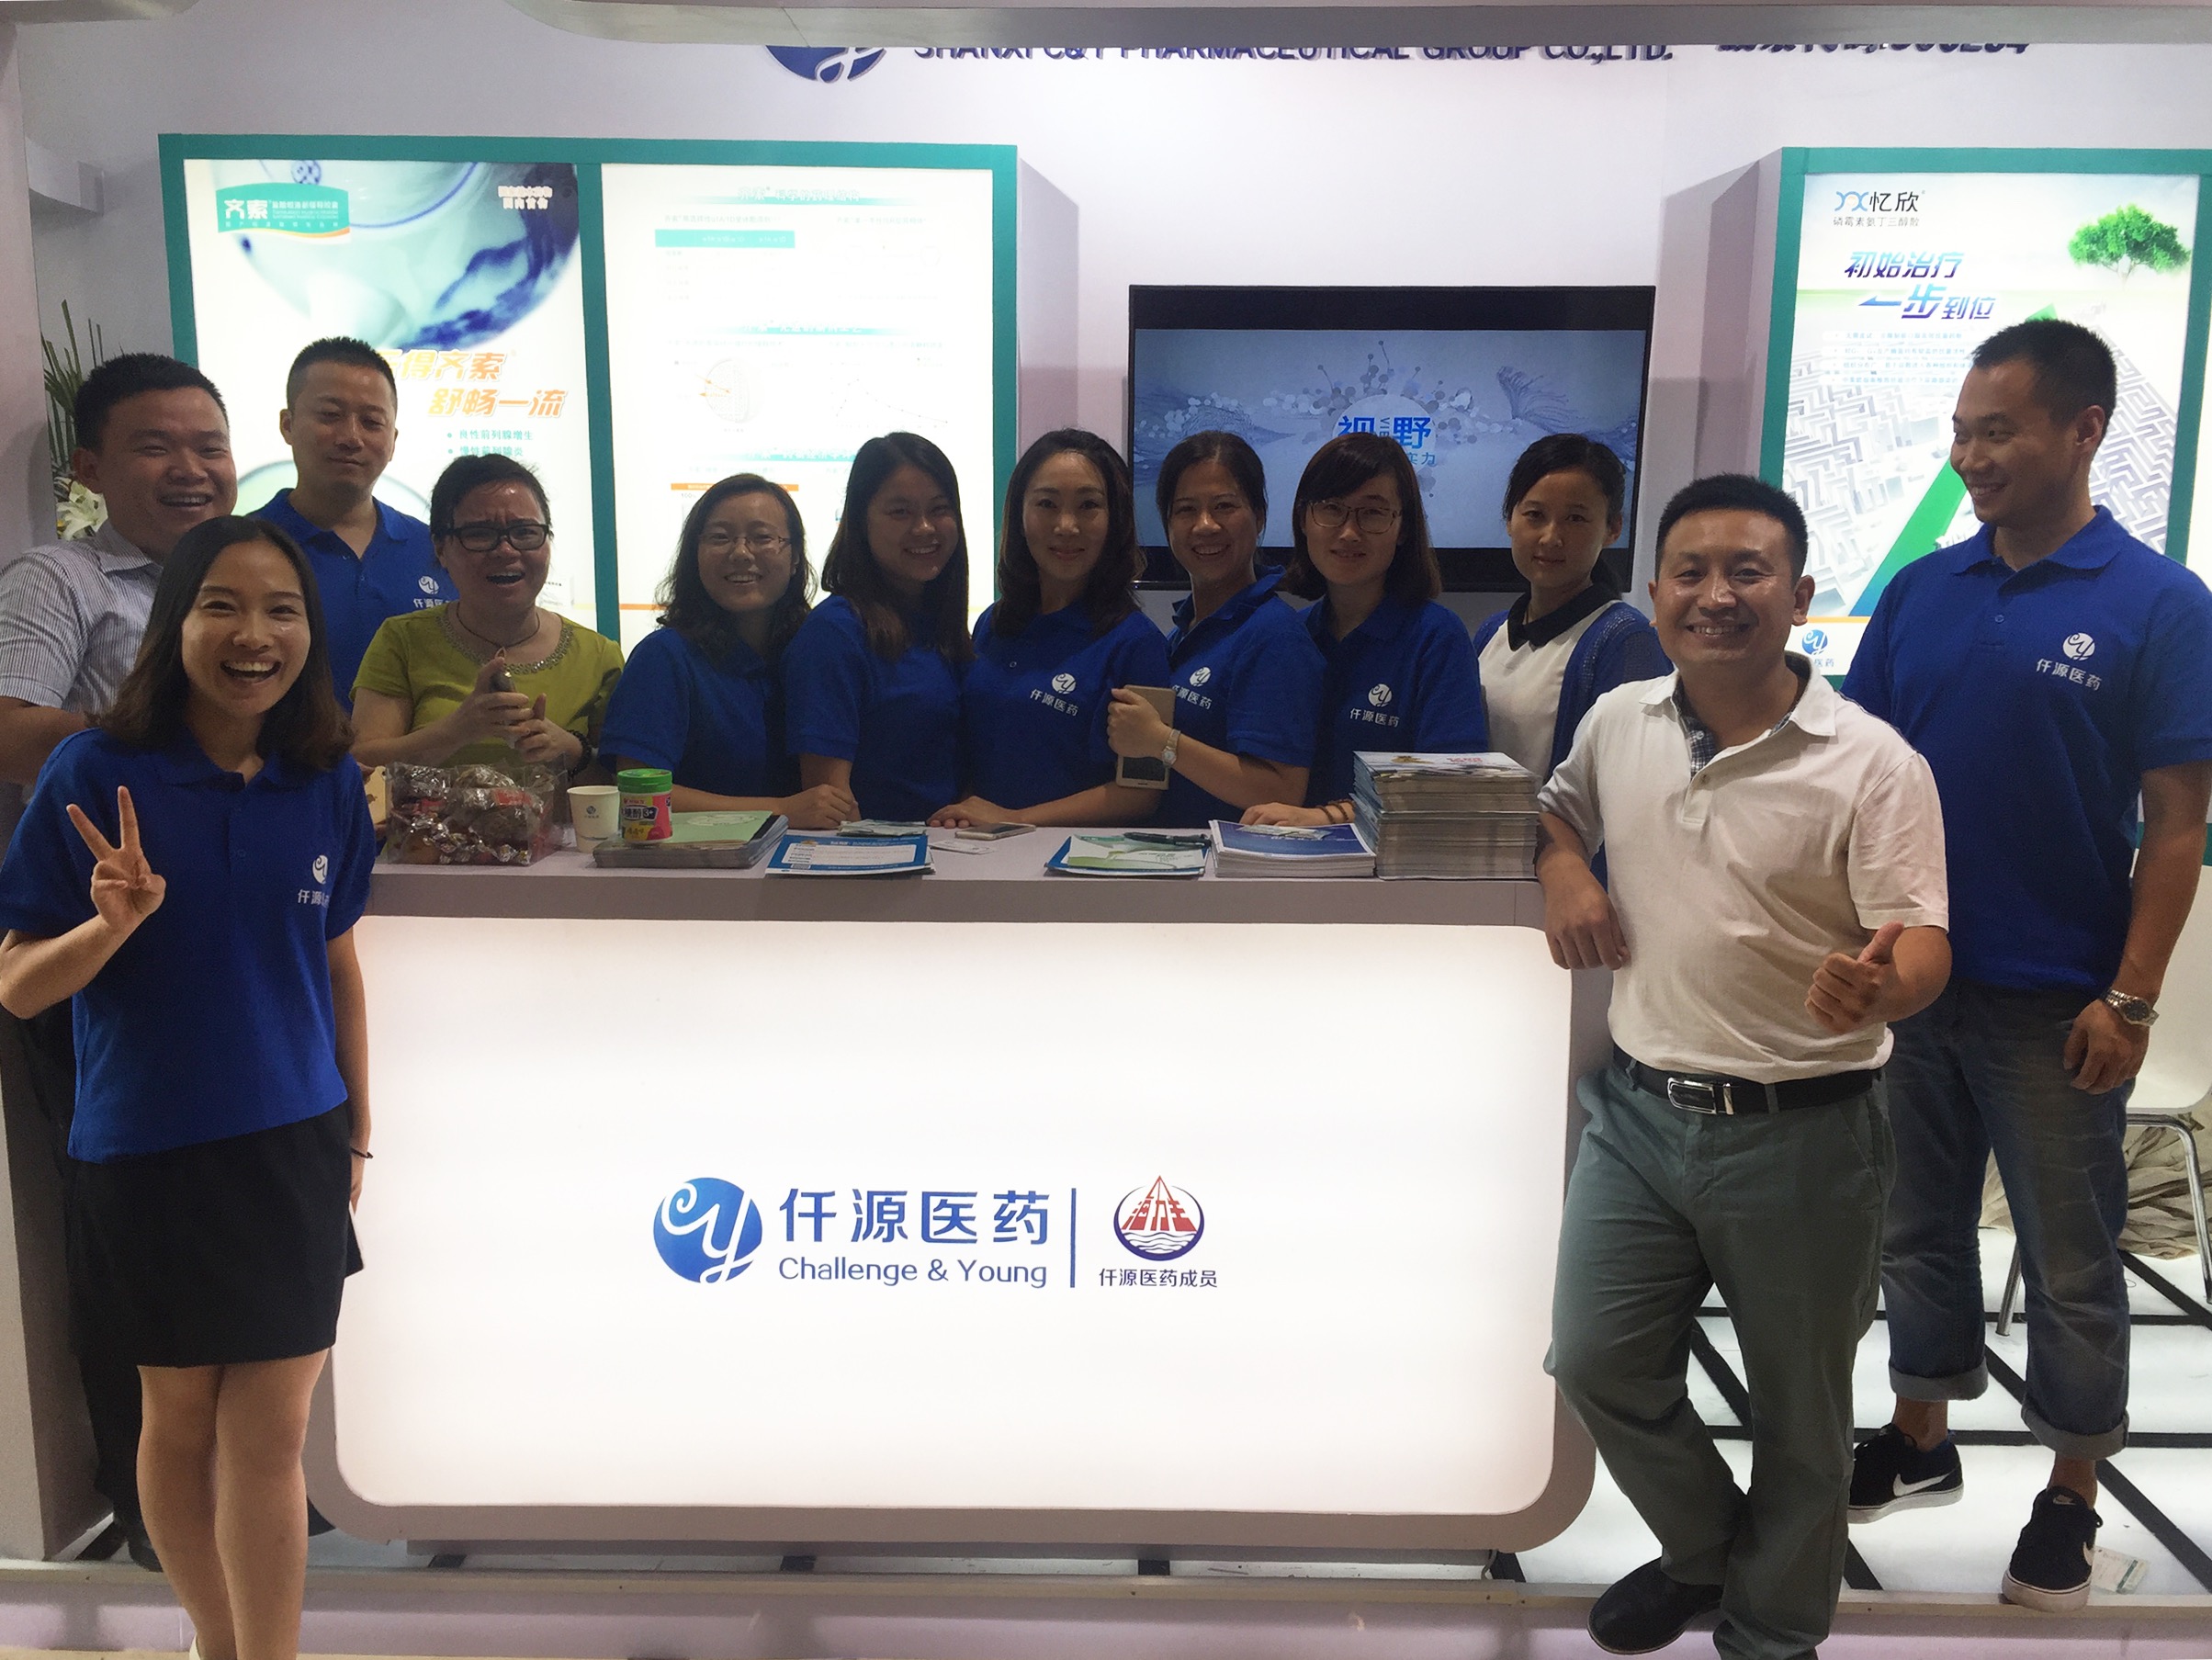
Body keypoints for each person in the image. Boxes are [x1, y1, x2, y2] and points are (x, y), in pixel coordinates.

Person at [1540, 474, 1950, 1660]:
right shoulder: (1618, 718)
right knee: (1596, 1358)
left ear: (1799, 595)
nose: (1715, 594)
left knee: (1800, 1417)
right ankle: (1709, 1551)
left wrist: (1882, 986)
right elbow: (1557, 813)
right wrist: (1565, 869)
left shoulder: (1870, 762)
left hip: (1804, 1127)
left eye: (1747, 571)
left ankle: (1769, 1632)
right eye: (1691, 571)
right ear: (1654, 590)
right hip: (1637, 1113)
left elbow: (1921, 943)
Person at [1841, 319, 2212, 1610]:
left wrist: (2132, 996)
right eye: (1960, 433)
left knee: (2069, 1257)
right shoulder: (1921, 590)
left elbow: (2176, 824)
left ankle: (2070, 1491)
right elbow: (1860, 774)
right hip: (1913, 980)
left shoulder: (2158, 603)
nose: (1971, 457)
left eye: (1996, 431)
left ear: (2083, 429)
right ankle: (1919, 1434)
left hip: (2057, 996)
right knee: (1914, 1227)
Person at [0, 515, 377, 1660]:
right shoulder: (93, 771)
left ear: (308, 635)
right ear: (175, 625)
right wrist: (107, 928)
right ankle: (218, 1643)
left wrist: (358, 1126)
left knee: (274, 1432)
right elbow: (19, 984)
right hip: (147, 1147)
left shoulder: (324, 778)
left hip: (294, 1140)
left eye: (281, 610)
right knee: (178, 1420)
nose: (254, 633)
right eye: (222, 605)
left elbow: (337, 959)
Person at [0, 351, 237, 1568]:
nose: (191, 467)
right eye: (156, 444)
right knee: (127, 1230)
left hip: (226, 956)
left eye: (208, 443)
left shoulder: (243, 578)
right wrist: (167, 740)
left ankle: (248, 1477)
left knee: (228, 1217)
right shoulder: (62, 579)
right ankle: (151, 1500)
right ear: (91, 465)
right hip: (101, 958)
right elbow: (7, 726)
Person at [1242, 431, 1484, 827]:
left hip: (1388, 864)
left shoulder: (1436, 637)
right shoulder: (1291, 634)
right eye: (1331, 508)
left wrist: (1326, 817)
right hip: (1282, 855)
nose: (1349, 532)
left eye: (1372, 513)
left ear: (1403, 528)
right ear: (1303, 520)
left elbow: (1451, 784)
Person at [931, 430, 1169, 829]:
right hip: (978, 851)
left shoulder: (1139, 643)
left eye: (1088, 505)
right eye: (1047, 504)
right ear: (1020, 515)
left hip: (1073, 859)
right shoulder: (993, 624)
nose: (1066, 526)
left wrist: (1016, 819)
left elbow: (1142, 792)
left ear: (1115, 519)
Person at [599, 475, 852, 829]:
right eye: (720, 537)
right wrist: (779, 810)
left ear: (795, 556)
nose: (741, 553)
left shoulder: (814, 653)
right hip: (700, 861)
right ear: (695, 554)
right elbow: (636, 796)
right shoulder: (664, 658)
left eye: (762, 537)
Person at [350, 454, 621, 775]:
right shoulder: (403, 640)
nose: (506, 550)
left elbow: (627, 779)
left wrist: (574, 751)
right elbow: (362, 762)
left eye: (525, 532)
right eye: (479, 534)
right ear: (440, 548)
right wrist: (458, 729)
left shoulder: (599, 656)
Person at [1105, 431, 1324, 828]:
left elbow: (1282, 792)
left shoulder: (1274, 636)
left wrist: (1161, 741)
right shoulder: (1185, 631)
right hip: (1171, 855)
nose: (1205, 525)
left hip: (1226, 863)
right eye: (1186, 510)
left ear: (1259, 516)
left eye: (1224, 506)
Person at [250, 338, 450, 709]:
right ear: (287, 425)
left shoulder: (436, 549)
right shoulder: (242, 550)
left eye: (372, 422)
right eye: (330, 415)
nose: (351, 438)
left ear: (392, 440)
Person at [784, 433, 972, 822]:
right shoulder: (836, 632)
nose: (925, 527)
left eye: (939, 508)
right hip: (880, 855)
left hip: (954, 850)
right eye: (900, 512)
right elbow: (831, 806)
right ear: (861, 522)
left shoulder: (942, 626)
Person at [1473, 434, 1669, 782]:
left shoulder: (1626, 641)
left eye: (1575, 518)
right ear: (1509, 519)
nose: (1551, 537)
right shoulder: (1492, 631)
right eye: (1535, 515)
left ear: (1613, 529)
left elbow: (1631, 783)